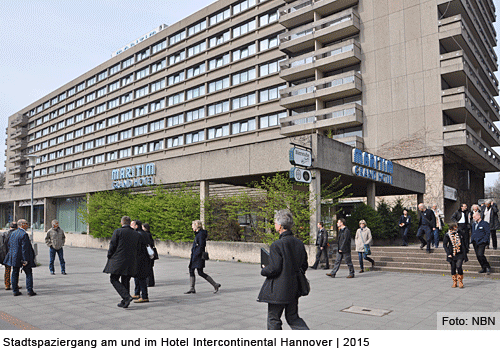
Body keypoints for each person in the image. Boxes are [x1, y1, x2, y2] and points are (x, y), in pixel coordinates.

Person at [257, 209, 309, 330]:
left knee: (273, 318)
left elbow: (274, 268)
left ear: (280, 226)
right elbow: (304, 265)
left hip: (279, 290)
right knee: (293, 317)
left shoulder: (277, 244)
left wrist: (264, 269)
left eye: (275, 223)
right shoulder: (299, 243)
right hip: (294, 287)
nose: (275, 225)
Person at [103, 216, 140, 308]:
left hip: (119, 259)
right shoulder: (136, 234)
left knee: (114, 279)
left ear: (121, 223)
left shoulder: (118, 231)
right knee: (125, 280)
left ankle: (126, 297)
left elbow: (113, 245)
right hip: (131, 260)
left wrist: (109, 255)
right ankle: (125, 301)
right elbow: (138, 248)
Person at [184, 220, 221, 294]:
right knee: (193, 270)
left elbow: (201, 246)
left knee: (199, 272)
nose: (192, 227)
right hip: (196, 255)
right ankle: (192, 288)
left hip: (198, 256)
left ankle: (214, 284)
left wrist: (196, 255)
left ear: (197, 226)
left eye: (193, 225)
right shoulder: (198, 234)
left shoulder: (200, 234)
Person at [3, 219, 37, 296]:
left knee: (15, 273)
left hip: (14, 257)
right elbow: (25, 248)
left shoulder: (13, 233)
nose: (27, 225)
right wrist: (25, 260)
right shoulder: (24, 234)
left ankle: (15, 291)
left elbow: (9, 245)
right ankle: (30, 290)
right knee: (28, 273)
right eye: (26, 223)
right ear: (22, 224)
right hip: (23, 257)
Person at [131, 220, 152, 303]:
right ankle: (137, 293)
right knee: (138, 277)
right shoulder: (144, 233)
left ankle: (144, 296)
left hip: (140, 259)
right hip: (144, 258)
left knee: (141, 278)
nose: (130, 226)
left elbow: (136, 248)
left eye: (132, 225)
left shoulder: (137, 235)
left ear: (136, 226)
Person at [443, 223, 467, 288]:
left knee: (459, 266)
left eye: (456, 227)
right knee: (453, 268)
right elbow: (445, 245)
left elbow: (465, 240)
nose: (456, 228)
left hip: (460, 252)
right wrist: (448, 253)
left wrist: (466, 250)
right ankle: (454, 282)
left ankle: (460, 281)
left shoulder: (460, 233)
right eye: (454, 227)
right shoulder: (447, 235)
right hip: (452, 253)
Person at [1, 222, 18, 290]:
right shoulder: (17, 233)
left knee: (7, 270)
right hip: (15, 254)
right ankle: (15, 283)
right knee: (15, 270)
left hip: (7, 254)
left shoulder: (5, 234)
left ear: (10, 227)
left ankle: (7, 284)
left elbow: (2, 245)